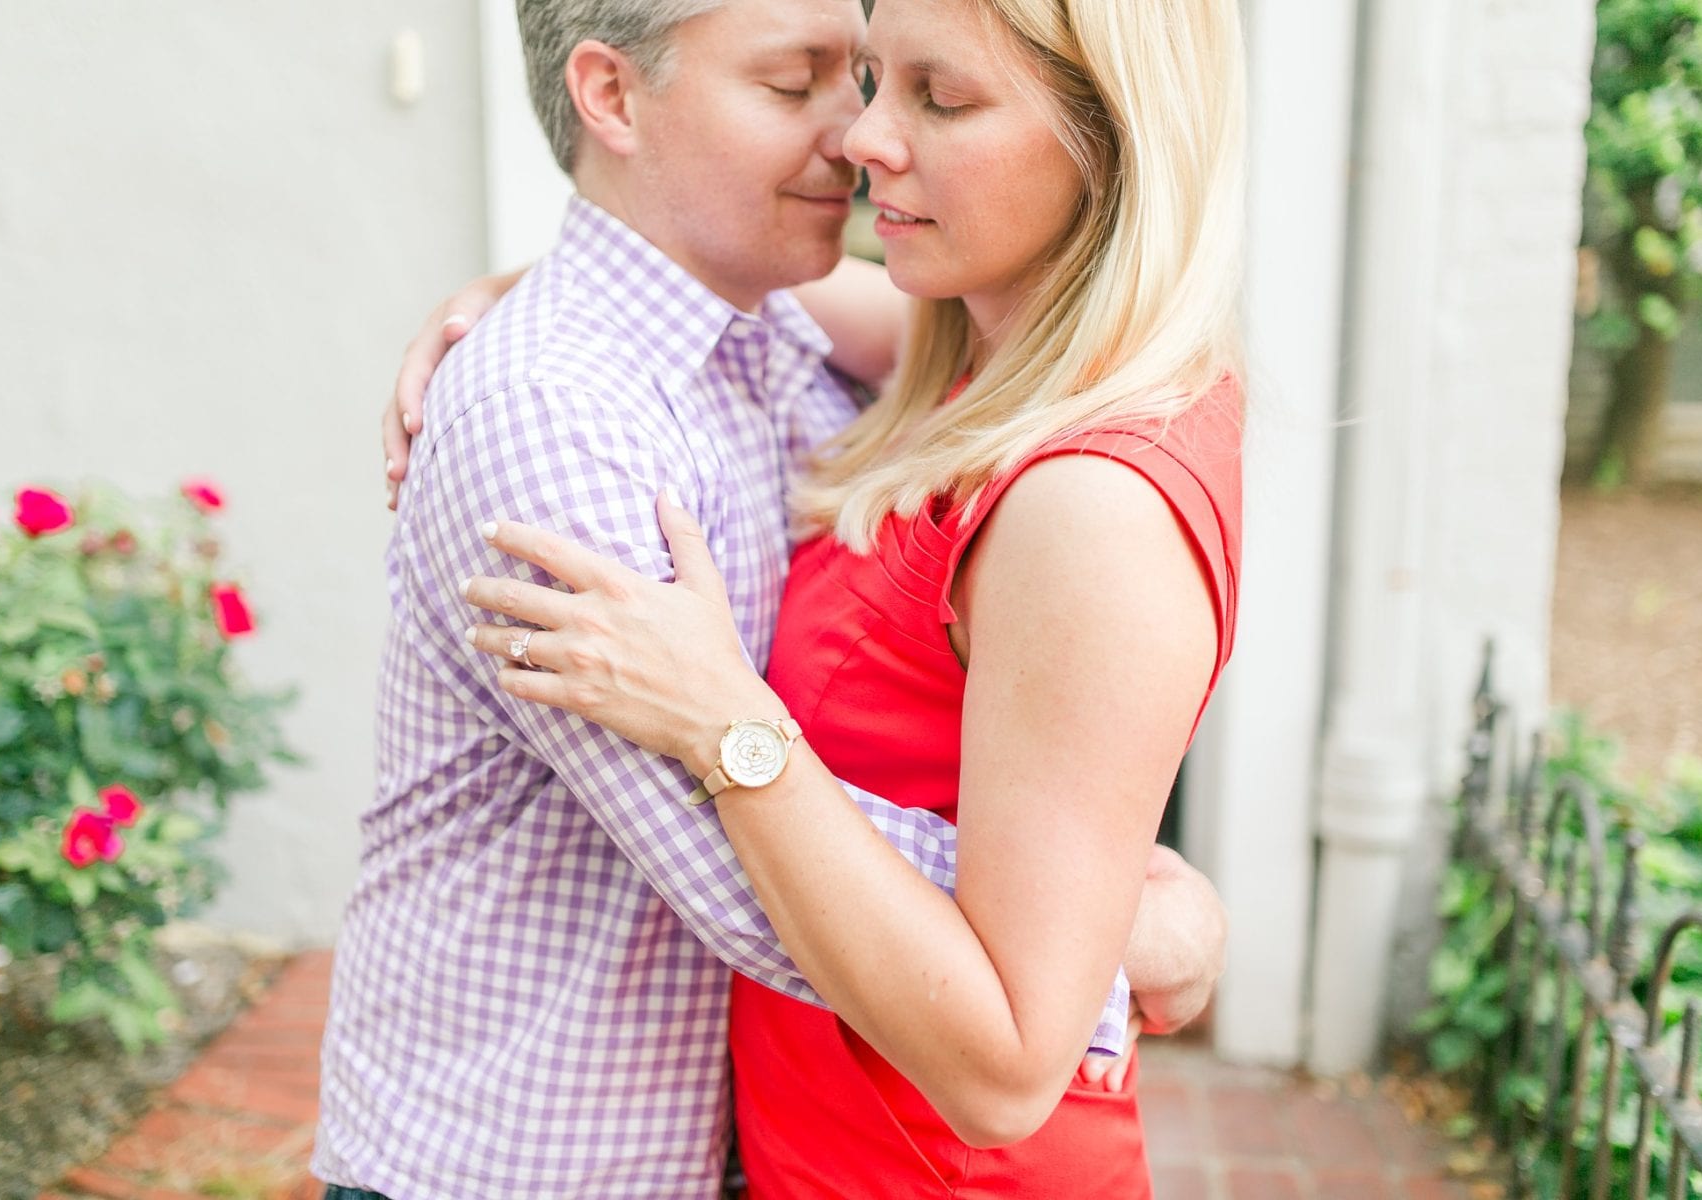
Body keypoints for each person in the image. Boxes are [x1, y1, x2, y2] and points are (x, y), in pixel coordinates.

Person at [322, 0, 1229, 1198]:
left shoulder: (783, 347)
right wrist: (1112, 919)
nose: (857, 134)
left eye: (914, 92)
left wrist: (1073, 908)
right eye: (800, 84)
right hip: (520, 1168)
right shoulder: (559, 420)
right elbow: (742, 879)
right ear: (611, 96)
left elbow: (1025, 328)